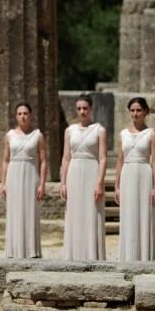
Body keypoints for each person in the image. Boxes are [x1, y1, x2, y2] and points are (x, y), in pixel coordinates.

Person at [60, 94, 107, 261]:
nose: (82, 112)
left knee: (92, 211)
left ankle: (92, 254)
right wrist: (63, 182)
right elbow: (66, 157)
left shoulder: (99, 130)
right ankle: (73, 254)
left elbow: (102, 158)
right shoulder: (69, 131)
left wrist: (99, 182)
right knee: (74, 211)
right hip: (74, 172)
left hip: (91, 171)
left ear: (91, 109)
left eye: (85, 108)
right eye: (79, 108)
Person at [114, 97, 155, 262]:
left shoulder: (151, 134)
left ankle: (145, 257)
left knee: (144, 214)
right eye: (132, 110)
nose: (135, 114)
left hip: (144, 173)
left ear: (145, 112)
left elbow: (154, 161)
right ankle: (128, 257)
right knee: (128, 215)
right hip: (127, 174)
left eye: (139, 110)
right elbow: (119, 160)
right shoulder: (123, 135)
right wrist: (117, 185)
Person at [0, 102, 48, 259]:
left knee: (30, 211)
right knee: (14, 211)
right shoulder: (9, 135)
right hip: (13, 175)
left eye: (26, 113)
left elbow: (43, 161)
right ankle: (14, 250)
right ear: (16, 116)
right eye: (20, 113)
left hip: (31, 174)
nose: (23, 116)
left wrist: (42, 184)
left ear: (31, 115)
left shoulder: (38, 135)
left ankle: (31, 250)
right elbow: (5, 160)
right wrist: (3, 183)